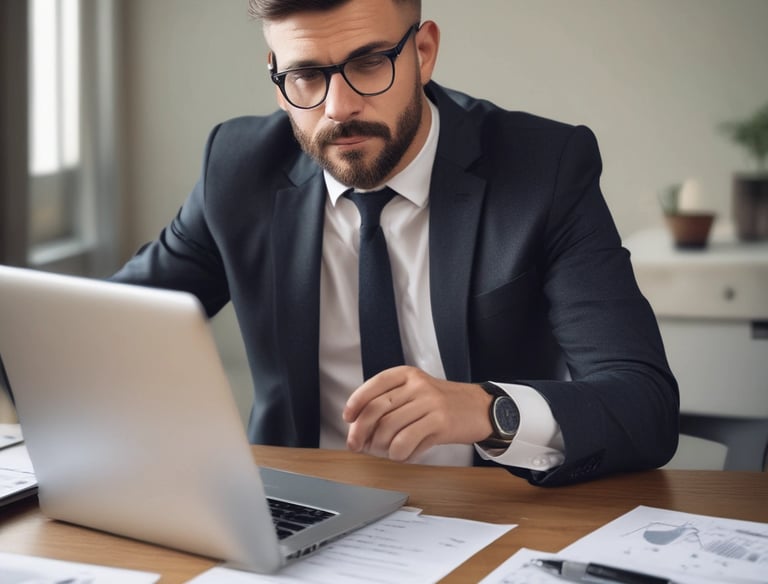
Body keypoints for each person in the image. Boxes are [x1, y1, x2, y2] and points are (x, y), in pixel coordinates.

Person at [110, 0, 679, 486]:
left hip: (492, 517)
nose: (338, 107)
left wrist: (488, 409)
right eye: (306, 75)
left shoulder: (543, 169)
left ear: (423, 52)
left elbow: (644, 404)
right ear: (277, 78)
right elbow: (106, 332)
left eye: (368, 62)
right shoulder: (236, 171)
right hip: (301, 518)